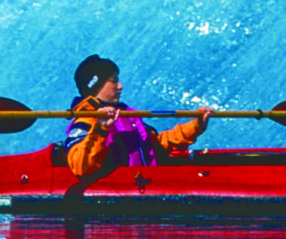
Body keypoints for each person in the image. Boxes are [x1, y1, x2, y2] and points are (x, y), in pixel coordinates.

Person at [63, 55, 209, 181]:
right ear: (96, 86)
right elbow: (80, 167)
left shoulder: (127, 116)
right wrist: (101, 129)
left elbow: (157, 144)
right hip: (119, 196)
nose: (120, 86)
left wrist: (197, 126)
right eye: (114, 81)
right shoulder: (86, 120)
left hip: (143, 187)